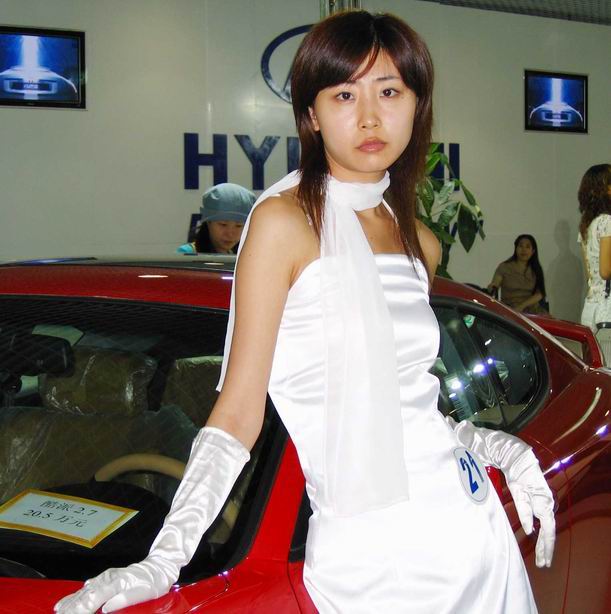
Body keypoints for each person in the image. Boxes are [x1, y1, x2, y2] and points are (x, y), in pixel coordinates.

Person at [56, 11, 554, 614]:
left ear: (416, 106)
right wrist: (165, 558)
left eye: (390, 92)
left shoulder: (419, 241)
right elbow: (238, 413)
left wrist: (489, 443)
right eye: (344, 94)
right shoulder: (283, 224)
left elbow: (403, 402)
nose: (369, 117)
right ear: (311, 115)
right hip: (367, 563)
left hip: (469, 535)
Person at [578, 164, 611, 337]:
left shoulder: (587, 225)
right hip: (607, 312)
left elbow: (591, 274)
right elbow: (605, 271)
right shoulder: (607, 222)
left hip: (591, 308)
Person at [176, 183, 255, 254]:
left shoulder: (243, 257)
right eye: (223, 224)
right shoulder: (187, 254)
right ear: (208, 222)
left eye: (238, 226)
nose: (230, 234)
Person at [488, 234, 549, 314]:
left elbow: (540, 294)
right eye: (520, 246)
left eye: (527, 247)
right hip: (509, 309)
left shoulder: (536, 268)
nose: (524, 250)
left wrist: (521, 306)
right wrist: (491, 287)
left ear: (533, 251)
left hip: (532, 310)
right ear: (516, 248)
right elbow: (495, 285)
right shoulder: (504, 267)